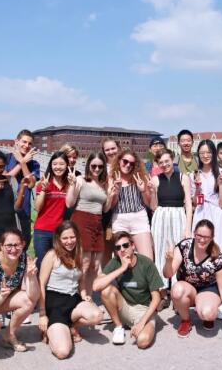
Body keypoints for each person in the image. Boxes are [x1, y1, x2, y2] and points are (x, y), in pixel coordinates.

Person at [162, 219, 222, 337]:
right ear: (194, 233)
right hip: (188, 288)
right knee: (177, 291)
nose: (202, 240)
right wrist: (168, 261)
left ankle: (208, 311)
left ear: (212, 238)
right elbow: (167, 274)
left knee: (207, 313)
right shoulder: (184, 246)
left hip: (208, 289)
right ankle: (186, 320)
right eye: (199, 235)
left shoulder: (217, 258)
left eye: (206, 237)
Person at [38, 221, 103, 359]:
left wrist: (84, 295)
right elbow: (41, 284)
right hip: (55, 305)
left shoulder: (78, 253)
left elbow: (81, 280)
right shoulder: (52, 255)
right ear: (58, 239)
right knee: (62, 352)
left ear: (77, 237)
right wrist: (42, 314)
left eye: (72, 237)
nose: (69, 241)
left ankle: (71, 327)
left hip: (73, 301)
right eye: (65, 238)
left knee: (97, 316)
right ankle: (53, 329)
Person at [94, 232, 163, 348]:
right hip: (125, 307)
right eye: (118, 248)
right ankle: (118, 327)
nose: (122, 249)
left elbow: (156, 298)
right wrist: (122, 268)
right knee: (106, 291)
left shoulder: (146, 263)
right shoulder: (116, 262)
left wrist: (141, 323)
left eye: (125, 245)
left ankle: (139, 325)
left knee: (143, 342)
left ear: (133, 246)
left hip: (144, 310)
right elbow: (96, 286)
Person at [66, 152, 115, 295]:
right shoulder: (80, 180)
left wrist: (110, 195)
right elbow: (69, 203)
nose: (97, 169)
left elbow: (105, 209)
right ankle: (77, 295)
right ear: (88, 165)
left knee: (96, 264)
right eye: (93, 166)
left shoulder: (104, 184)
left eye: (100, 166)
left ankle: (88, 296)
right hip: (82, 220)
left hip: (98, 223)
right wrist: (72, 185)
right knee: (85, 263)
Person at [149, 149, 193, 299]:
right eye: (161, 162)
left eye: (167, 161)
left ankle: (176, 291)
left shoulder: (183, 177)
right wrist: (153, 192)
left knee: (178, 252)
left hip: (178, 215)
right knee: (160, 252)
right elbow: (153, 206)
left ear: (172, 160)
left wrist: (188, 228)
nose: (164, 164)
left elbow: (188, 204)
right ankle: (162, 292)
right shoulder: (155, 179)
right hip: (161, 217)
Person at [190, 140, 222, 276]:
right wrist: (197, 187)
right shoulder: (195, 174)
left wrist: (220, 185)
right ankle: (199, 275)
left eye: (208, 152)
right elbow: (195, 202)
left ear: (213, 153)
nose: (205, 155)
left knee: (219, 244)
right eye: (202, 153)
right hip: (201, 212)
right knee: (200, 244)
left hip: (217, 214)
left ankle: (221, 277)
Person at [108, 149, 154, 260]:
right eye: (125, 161)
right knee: (122, 258)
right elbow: (111, 206)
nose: (128, 165)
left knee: (147, 258)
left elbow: (149, 204)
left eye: (132, 163)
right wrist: (116, 192)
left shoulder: (140, 177)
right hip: (119, 219)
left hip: (139, 218)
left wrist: (143, 190)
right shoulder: (111, 178)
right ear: (119, 161)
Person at [33, 151, 70, 269]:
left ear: (67, 166)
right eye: (55, 164)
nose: (58, 167)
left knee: (58, 266)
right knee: (41, 264)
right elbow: (37, 208)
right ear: (50, 165)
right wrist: (44, 190)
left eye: (61, 164)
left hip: (60, 232)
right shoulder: (44, 183)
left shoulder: (69, 184)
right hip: (42, 231)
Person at [5, 129, 41, 249]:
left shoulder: (34, 164)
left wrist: (23, 163)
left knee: (22, 247)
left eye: (30, 143)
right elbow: (5, 181)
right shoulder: (6, 159)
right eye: (24, 142)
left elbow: (30, 184)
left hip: (24, 212)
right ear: (16, 141)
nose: (26, 145)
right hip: (5, 210)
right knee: (5, 248)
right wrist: (22, 162)